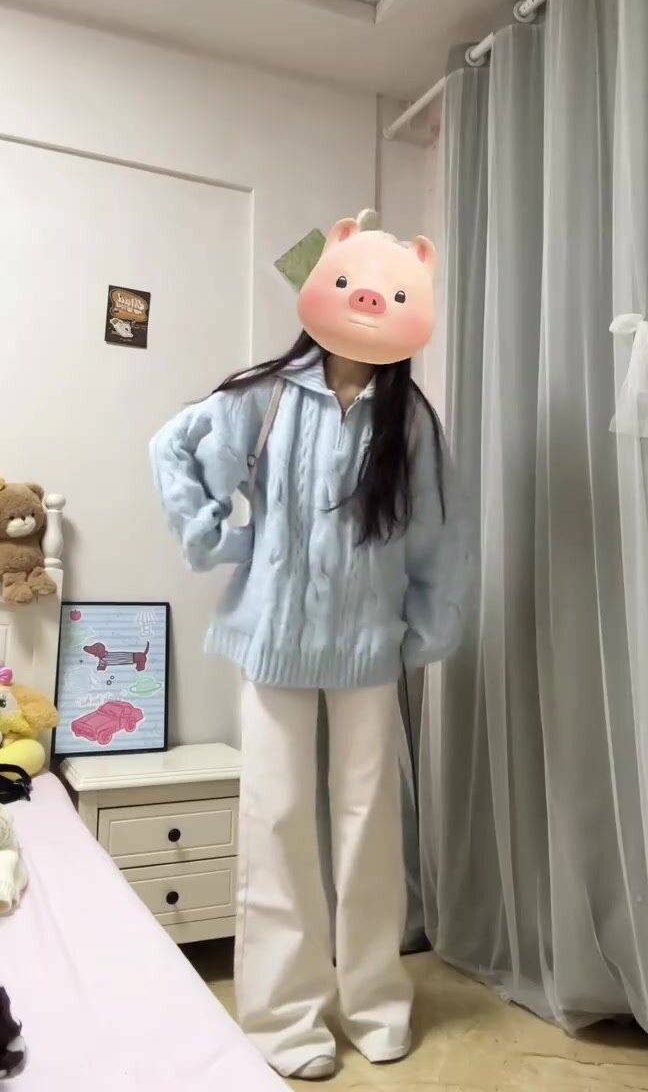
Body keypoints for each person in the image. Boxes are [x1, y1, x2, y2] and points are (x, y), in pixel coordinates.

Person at [150, 213, 468, 1081]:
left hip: (367, 648)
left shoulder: (410, 420)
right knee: (278, 818)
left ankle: (374, 1000)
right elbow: (172, 448)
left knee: (369, 826)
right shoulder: (265, 396)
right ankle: (284, 1016)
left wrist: (424, 630)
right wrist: (216, 537)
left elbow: (439, 537)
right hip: (273, 641)